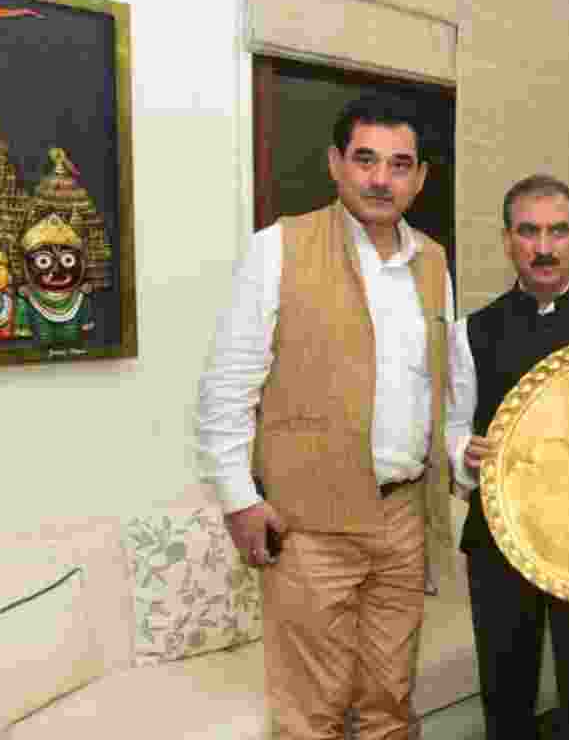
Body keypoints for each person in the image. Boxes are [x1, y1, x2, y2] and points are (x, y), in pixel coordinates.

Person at [195, 93, 457, 739]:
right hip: (309, 525)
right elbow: (228, 386)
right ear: (335, 163)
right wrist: (239, 498)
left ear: (420, 178)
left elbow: (444, 381)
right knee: (310, 718)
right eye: (365, 159)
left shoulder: (433, 260)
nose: (380, 179)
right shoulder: (278, 248)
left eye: (399, 165)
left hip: (400, 519)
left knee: (389, 707)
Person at [450, 173, 569, 740]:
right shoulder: (470, 332)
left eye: (557, 231)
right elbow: (454, 425)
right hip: (499, 538)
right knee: (505, 693)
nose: (543, 246)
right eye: (528, 231)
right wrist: (465, 450)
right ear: (508, 239)